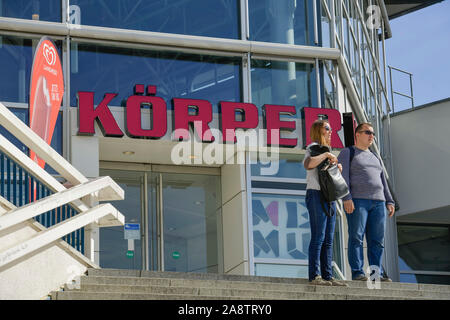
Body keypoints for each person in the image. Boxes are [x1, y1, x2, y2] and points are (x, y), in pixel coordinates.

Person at [337, 122, 395, 282]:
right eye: (368, 132)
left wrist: (390, 201)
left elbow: (383, 181)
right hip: (358, 201)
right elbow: (343, 178)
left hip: (379, 203)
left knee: (377, 241)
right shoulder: (348, 152)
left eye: (373, 133)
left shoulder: (375, 157)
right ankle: (358, 273)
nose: (372, 136)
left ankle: (376, 275)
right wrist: (346, 198)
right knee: (356, 237)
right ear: (357, 134)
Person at [303, 120, 347, 286]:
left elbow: (327, 176)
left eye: (331, 129)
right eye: (326, 129)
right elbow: (308, 164)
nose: (330, 132)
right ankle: (315, 276)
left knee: (328, 239)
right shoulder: (313, 147)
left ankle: (327, 276)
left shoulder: (328, 151)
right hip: (315, 194)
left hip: (329, 197)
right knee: (318, 237)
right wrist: (326, 155)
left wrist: (337, 168)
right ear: (318, 131)